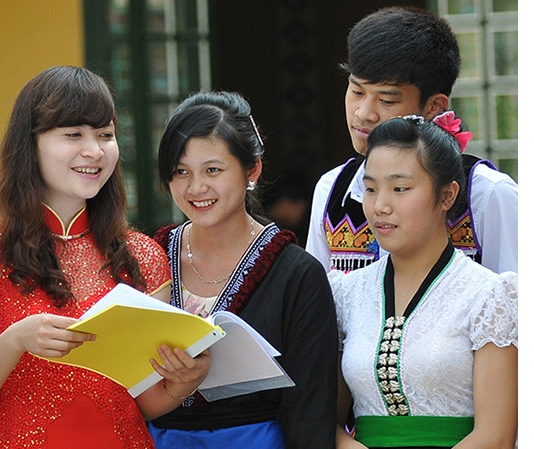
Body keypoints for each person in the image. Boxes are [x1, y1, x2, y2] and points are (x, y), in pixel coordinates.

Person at [0, 65, 210, 449]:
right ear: (29, 143)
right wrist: (15, 340)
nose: (94, 150)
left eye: (105, 135)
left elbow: (144, 401)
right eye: (73, 134)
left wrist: (184, 382)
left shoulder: (143, 257)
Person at [147, 90, 338, 448]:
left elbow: (310, 406)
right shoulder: (148, 258)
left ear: (253, 168)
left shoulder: (297, 274)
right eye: (180, 172)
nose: (196, 187)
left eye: (213, 170)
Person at [328, 114, 517, 448]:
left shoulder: (488, 295)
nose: (380, 206)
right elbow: (325, 420)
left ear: (447, 196)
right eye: (370, 189)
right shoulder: (346, 293)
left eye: (400, 189)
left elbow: (496, 435)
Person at [306, 6, 518, 274]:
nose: (363, 113)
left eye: (386, 100)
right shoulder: (332, 192)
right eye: (357, 91)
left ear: (434, 106)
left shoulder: (487, 196)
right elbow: (317, 307)